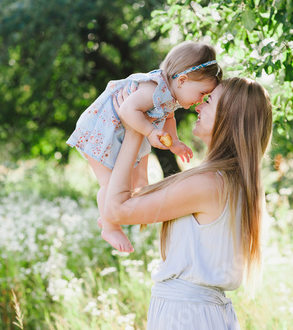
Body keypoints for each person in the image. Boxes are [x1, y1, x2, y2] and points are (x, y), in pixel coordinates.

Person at [104, 77, 273, 329]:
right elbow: (137, 196)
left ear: (230, 116)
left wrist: (132, 131)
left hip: (187, 316)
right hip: (195, 313)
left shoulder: (208, 183)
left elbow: (116, 210)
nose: (198, 106)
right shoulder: (227, 181)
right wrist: (141, 135)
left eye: (209, 101)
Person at [67, 42, 223, 253]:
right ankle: (110, 225)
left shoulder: (171, 95)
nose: (200, 101)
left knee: (133, 186)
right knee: (110, 185)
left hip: (119, 135)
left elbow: (169, 118)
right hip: (100, 133)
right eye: (202, 93)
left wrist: (174, 142)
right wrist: (149, 132)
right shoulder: (153, 88)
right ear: (183, 80)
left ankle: (113, 217)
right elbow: (127, 110)